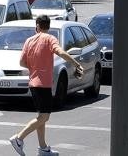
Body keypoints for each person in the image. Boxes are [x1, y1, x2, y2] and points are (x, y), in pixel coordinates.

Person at [8, 15, 84, 156]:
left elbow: (22, 62)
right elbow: (60, 52)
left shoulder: (29, 40)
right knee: (44, 117)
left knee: (41, 116)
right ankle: (18, 138)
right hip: (43, 84)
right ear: (48, 26)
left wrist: (34, 68)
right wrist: (76, 63)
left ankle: (43, 148)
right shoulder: (50, 39)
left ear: (37, 25)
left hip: (33, 83)